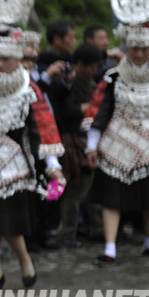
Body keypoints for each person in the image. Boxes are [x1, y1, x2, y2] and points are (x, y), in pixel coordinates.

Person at [0, 29, 65, 290]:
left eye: (7, 59)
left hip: (15, 162)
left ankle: (24, 260)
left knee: (7, 221)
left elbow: (44, 128)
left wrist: (53, 166)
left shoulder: (28, 87)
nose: (0, 64)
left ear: (18, 58)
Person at [84, 26, 149, 266]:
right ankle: (110, 247)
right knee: (112, 198)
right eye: (135, 48)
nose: (139, 53)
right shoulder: (113, 78)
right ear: (128, 48)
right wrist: (91, 146)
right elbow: (100, 113)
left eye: (144, 48)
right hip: (116, 143)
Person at [51, 44, 102, 247]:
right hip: (72, 142)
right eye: (91, 66)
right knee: (73, 188)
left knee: (84, 187)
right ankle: (66, 232)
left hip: (85, 139)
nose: (94, 71)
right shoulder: (68, 83)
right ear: (80, 64)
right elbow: (65, 111)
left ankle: (92, 228)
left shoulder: (89, 83)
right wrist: (90, 107)